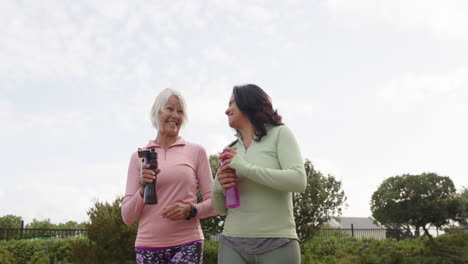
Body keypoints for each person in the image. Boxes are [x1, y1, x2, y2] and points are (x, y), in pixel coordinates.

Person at [212, 84, 307, 264]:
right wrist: (218, 184)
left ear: (248, 103)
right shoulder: (230, 150)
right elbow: (220, 209)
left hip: (278, 243)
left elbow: (298, 180)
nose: (226, 110)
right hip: (232, 243)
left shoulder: (280, 134)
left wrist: (246, 168)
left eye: (232, 103)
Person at [122, 88, 217, 264]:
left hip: (187, 243)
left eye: (180, 111)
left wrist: (191, 210)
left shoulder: (196, 151)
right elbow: (127, 217)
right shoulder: (139, 157)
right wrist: (142, 191)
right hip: (147, 245)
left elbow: (215, 204)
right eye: (170, 109)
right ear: (157, 113)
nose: (175, 115)